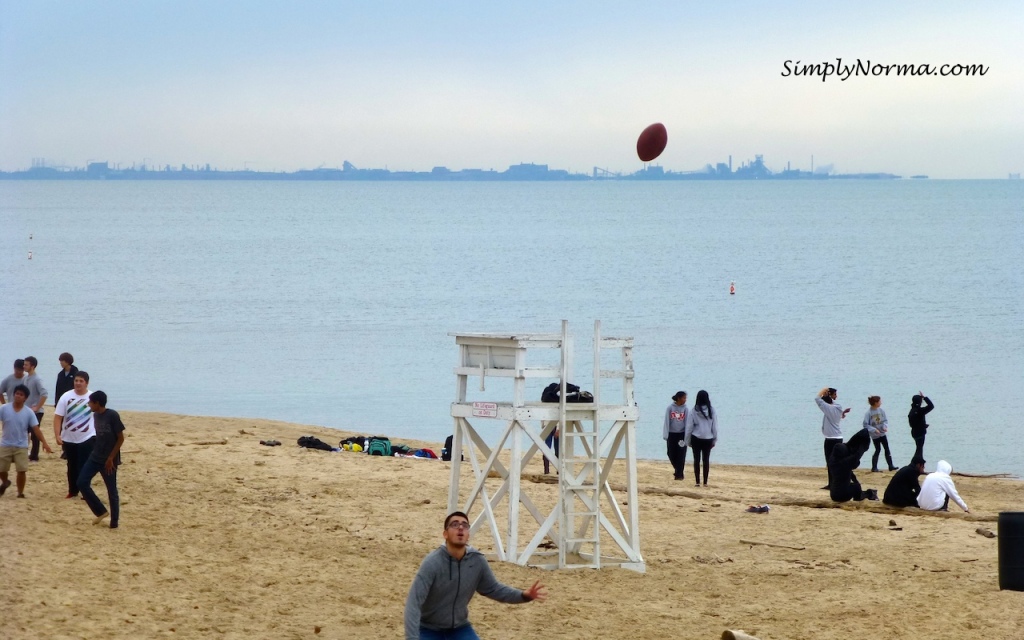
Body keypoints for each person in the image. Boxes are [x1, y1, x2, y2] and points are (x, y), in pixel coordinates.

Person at [404, 511, 547, 639]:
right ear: (445, 534)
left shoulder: (477, 561)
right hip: (428, 629)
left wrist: (523, 595)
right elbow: (413, 603)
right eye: (454, 524)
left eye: (465, 525)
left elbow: (494, 589)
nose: (460, 528)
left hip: (459, 628)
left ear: (468, 535)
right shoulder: (432, 563)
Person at [77, 391, 125, 528]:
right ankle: (101, 511)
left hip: (109, 460)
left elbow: (120, 438)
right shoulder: (96, 415)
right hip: (95, 456)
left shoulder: (112, 415)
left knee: (111, 490)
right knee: (82, 482)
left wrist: (111, 458)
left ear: (97, 403)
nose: (89, 404)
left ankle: (114, 522)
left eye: (90, 402)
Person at [0, 385, 54, 498]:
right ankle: (5, 482)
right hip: (5, 444)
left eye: (21, 394)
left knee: (21, 470)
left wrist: (45, 443)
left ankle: (20, 493)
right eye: (17, 393)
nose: (18, 396)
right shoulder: (4, 408)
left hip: (21, 446)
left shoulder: (29, 412)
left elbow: (36, 429)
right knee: (1, 469)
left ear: (25, 398)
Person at [53, 371, 97, 498]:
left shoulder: (92, 397)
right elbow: (58, 417)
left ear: (86, 383)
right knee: (71, 465)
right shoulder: (66, 396)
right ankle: (73, 490)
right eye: (76, 380)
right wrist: (57, 435)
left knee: (84, 465)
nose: (78, 383)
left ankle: (85, 490)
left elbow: (100, 415)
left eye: (81, 381)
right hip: (68, 437)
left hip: (88, 436)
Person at [816, 386, 851, 490]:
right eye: (835, 394)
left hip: (831, 439)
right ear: (831, 396)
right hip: (837, 437)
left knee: (831, 462)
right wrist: (843, 414)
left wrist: (823, 390)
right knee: (835, 462)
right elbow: (836, 415)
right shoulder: (838, 406)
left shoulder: (828, 408)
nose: (837, 396)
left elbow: (817, 399)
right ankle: (832, 483)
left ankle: (833, 484)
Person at [827, 428, 875, 502]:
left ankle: (860, 494)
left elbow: (851, 472)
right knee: (856, 487)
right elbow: (857, 455)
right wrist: (862, 446)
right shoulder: (845, 463)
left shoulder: (832, 462)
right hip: (842, 496)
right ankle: (860, 497)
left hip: (833, 494)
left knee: (852, 485)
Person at [685, 390, 717, 487]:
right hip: (708, 438)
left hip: (696, 438)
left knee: (696, 460)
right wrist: (714, 439)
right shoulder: (712, 410)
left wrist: (687, 440)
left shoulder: (694, 410)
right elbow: (714, 427)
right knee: (706, 460)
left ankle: (697, 482)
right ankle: (705, 482)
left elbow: (689, 427)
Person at [21, 357, 49, 462]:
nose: (24, 366)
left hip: (36, 412)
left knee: (34, 434)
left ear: (32, 366)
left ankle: (34, 456)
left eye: (26, 365)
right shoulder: (26, 378)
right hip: (26, 410)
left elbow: (44, 394)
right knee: (24, 432)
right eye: (24, 364)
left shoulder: (37, 379)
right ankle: (25, 453)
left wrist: (37, 407)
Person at [863, 396, 897, 472]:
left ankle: (890, 466)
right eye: (879, 401)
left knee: (887, 449)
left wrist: (884, 427)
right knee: (878, 449)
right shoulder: (869, 413)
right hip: (875, 435)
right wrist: (874, 430)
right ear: (875, 403)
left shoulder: (881, 410)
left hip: (882, 433)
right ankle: (874, 467)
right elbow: (865, 425)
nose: (881, 403)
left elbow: (885, 420)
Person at [663, 391, 688, 481]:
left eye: (686, 398)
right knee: (670, 453)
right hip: (672, 434)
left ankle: (679, 475)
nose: (685, 400)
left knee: (681, 454)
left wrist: (687, 436)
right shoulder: (670, 408)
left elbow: (687, 423)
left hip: (681, 434)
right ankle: (678, 471)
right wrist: (666, 435)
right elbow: (667, 421)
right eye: (684, 398)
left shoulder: (686, 409)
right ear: (678, 398)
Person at [908, 392, 934, 460]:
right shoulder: (920, 411)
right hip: (920, 432)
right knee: (919, 449)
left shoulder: (912, 411)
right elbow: (931, 406)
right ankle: (916, 463)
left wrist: (923, 425)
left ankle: (919, 463)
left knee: (919, 448)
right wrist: (925, 397)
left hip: (914, 432)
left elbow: (913, 423)